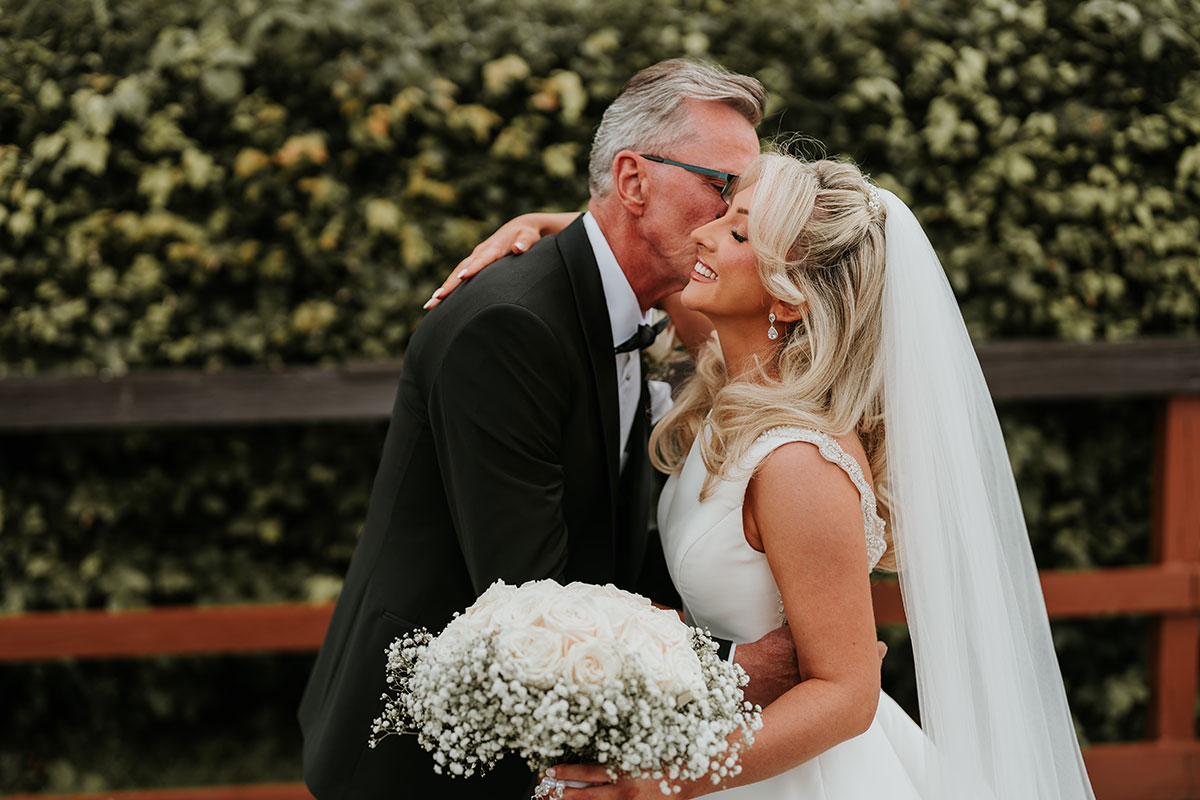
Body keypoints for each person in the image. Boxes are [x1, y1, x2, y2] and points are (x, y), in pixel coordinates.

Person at [463, 153, 1097, 800]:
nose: (704, 234)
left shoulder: (797, 461)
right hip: (730, 746)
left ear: (789, 303)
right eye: (724, 214)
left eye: (738, 232)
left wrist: (659, 784)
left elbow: (848, 693)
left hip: (790, 775)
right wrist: (553, 230)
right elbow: (622, 255)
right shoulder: (737, 378)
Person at [298, 60, 817, 800]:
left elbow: (609, 542)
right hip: (422, 762)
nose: (742, 219)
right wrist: (735, 667)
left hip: (557, 749)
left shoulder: (638, 311)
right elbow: (533, 593)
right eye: (724, 188)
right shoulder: (511, 328)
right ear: (633, 181)